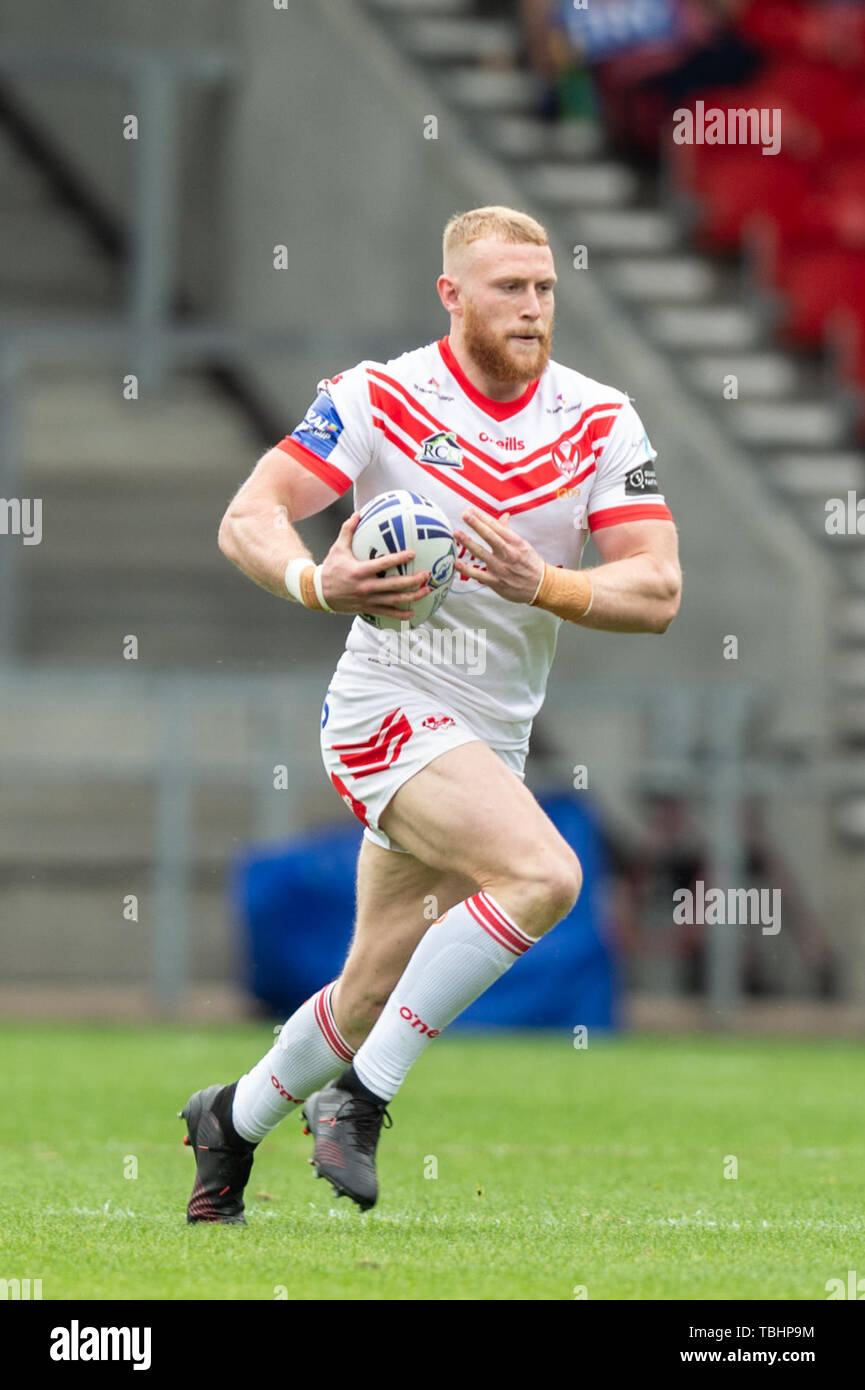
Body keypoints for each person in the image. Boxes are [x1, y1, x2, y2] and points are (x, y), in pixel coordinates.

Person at [180, 205, 681, 1221]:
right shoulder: (376, 397)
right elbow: (249, 514)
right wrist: (317, 582)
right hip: (385, 707)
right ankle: (359, 1100)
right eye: (509, 287)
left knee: (368, 984)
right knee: (544, 875)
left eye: (543, 287)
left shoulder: (599, 419)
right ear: (452, 294)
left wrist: (547, 583)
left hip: (488, 736)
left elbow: (658, 590)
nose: (533, 306)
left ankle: (227, 1120)